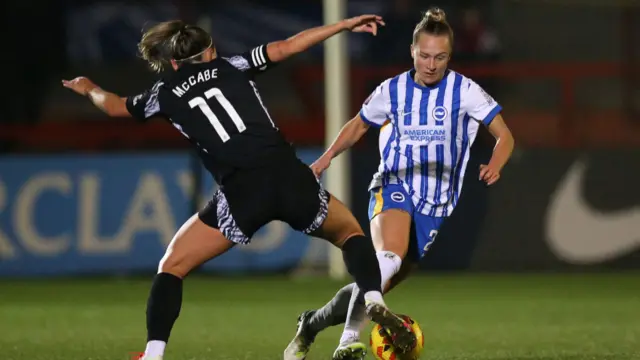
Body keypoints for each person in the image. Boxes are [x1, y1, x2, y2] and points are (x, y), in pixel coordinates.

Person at [61, 16, 417, 360]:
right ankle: (373, 296)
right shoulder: (234, 65)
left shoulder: (163, 93)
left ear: (172, 62)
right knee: (350, 233)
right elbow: (290, 46)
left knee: (172, 266)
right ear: (211, 50)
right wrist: (343, 25)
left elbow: (113, 106)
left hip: (243, 190)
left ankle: (153, 355)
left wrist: (87, 87)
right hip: (288, 174)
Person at [284, 7, 515, 360]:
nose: (431, 64)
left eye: (440, 57)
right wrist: (326, 157)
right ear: (412, 52)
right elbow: (358, 125)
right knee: (387, 258)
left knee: (379, 278)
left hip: (436, 205)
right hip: (394, 184)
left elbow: (505, 136)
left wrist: (496, 163)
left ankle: (311, 324)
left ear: (450, 56)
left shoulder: (465, 91)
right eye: (424, 55)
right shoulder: (391, 90)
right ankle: (347, 343)